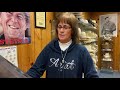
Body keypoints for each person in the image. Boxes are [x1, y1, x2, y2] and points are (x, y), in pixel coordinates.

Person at [26, 12, 99, 78]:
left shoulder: (81, 51)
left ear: (73, 30)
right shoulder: (50, 48)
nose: (61, 31)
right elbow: (35, 70)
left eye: (65, 27)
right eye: (59, 27)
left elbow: (92, 75)